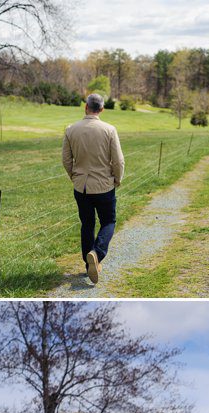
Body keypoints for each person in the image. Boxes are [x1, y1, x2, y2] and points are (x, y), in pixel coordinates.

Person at [61, 93, 125, 285]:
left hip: (81, 187)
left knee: (87, 224)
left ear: (85, 107)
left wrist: (74, 176)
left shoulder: (71, 129)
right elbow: (118, 160)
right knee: (109, 221)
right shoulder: (109, 130)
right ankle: (96, 254)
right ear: (102, 109)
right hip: (104, 185)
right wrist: (117, 179)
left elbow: (66, 159)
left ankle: (88, 264)